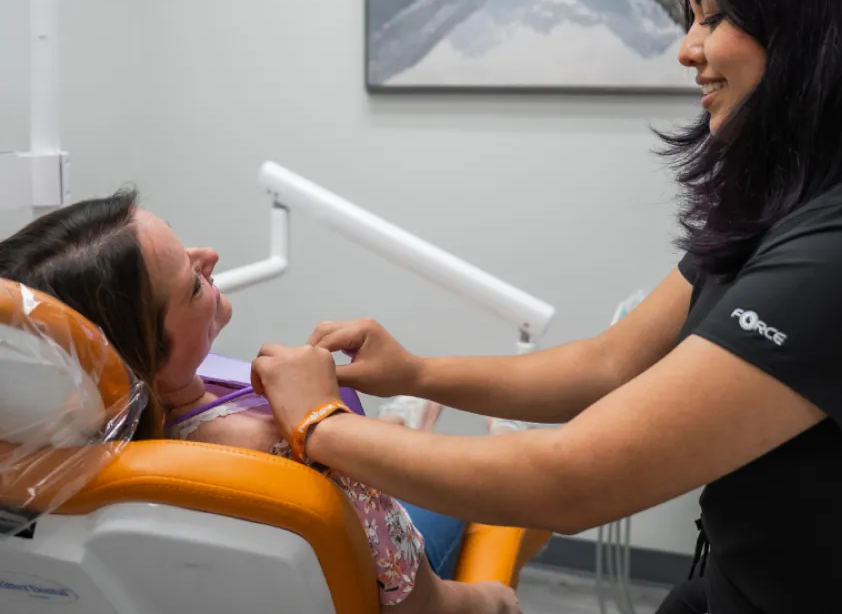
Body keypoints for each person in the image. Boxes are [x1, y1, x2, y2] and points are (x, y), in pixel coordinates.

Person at [247, 0, 842, 614]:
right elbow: (607, 365)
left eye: (713, 17)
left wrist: (319, 425)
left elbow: (575, 479)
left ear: (813, 21)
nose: (688, 51)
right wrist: (416, 373)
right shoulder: (802, 197)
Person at [0, 194, 521, 614]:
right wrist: (488, 599)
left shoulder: (38, 449)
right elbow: (413, 595)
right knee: (458, 506)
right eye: (192, 281)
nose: (210, 258)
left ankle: (401, 428)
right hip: (391, 573)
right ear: (152, 357)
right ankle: (418, 434)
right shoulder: (277, 450)